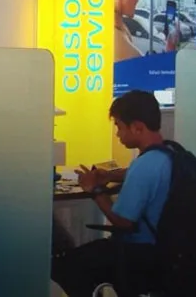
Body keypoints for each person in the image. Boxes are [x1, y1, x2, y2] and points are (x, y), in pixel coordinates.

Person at [51, 91, 172, 297]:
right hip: (168, 250)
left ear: (137, 127)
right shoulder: (171, 155)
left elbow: (122, 221)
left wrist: (95, 189)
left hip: (138, 253)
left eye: (119, 126)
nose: (117, 134)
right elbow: (144, 175)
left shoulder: (144, 166)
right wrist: (110, 175)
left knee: (64, 265)